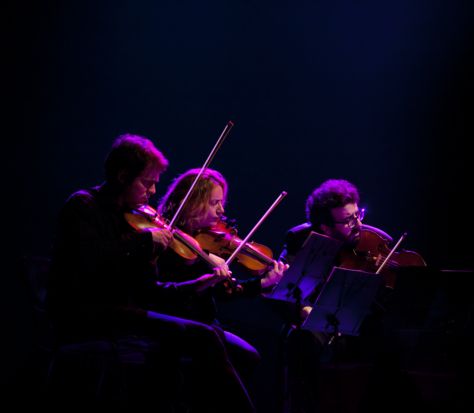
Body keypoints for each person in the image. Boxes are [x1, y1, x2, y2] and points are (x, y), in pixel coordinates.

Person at [46, 134, 255, 412]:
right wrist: (143, 243)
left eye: (156, 182)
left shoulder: (138, 221)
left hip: (129, 312)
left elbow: (150, 289)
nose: (154, 191)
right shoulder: (83, 206)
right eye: (147, 182)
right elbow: (91, 264)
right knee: (201, 338)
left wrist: (197, 284)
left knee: (204, 340)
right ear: (122, 176)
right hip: (91, 311)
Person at [279, 178, 425, 413]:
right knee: (300, 340)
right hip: (318, 321)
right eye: (348, 220)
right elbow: (285, 295)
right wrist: (305, 309)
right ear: (326, 227)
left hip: (362, 321)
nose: (358, 225)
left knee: (392, 344)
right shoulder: (300, 241)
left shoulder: (371, 240)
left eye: (358, 215)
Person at [155, 167, 288, 383]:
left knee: (249, 357)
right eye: (214, 203)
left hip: (206, 323)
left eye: (221, 202)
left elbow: (226, 292)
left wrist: (264, 282)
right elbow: (164, 291)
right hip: (179, 324)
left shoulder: (209, 241)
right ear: (193, 203)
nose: (221, 211)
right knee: (240, 360)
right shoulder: (168, 239)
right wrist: (204, 264)